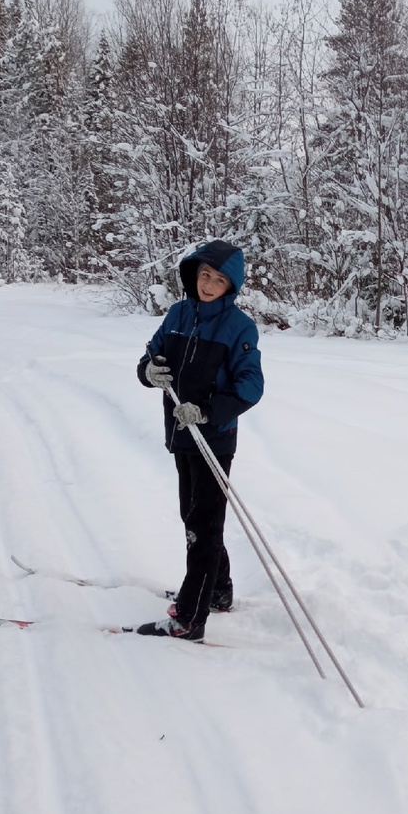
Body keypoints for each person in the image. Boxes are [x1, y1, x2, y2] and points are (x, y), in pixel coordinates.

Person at [135, 239, 264, 641]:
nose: (208, 284)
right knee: (194, 518)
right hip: (180, 434)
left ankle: (189, 618)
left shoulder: (238, 327)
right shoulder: (177, 314)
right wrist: (148, 372)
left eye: (219, 279)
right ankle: (217, 591)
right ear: (193, 274)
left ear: (231, 286)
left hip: (213, 439)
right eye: (204, 274)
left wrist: (207, 411)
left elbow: (251, 386)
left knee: (203, 527)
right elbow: (151, 356)